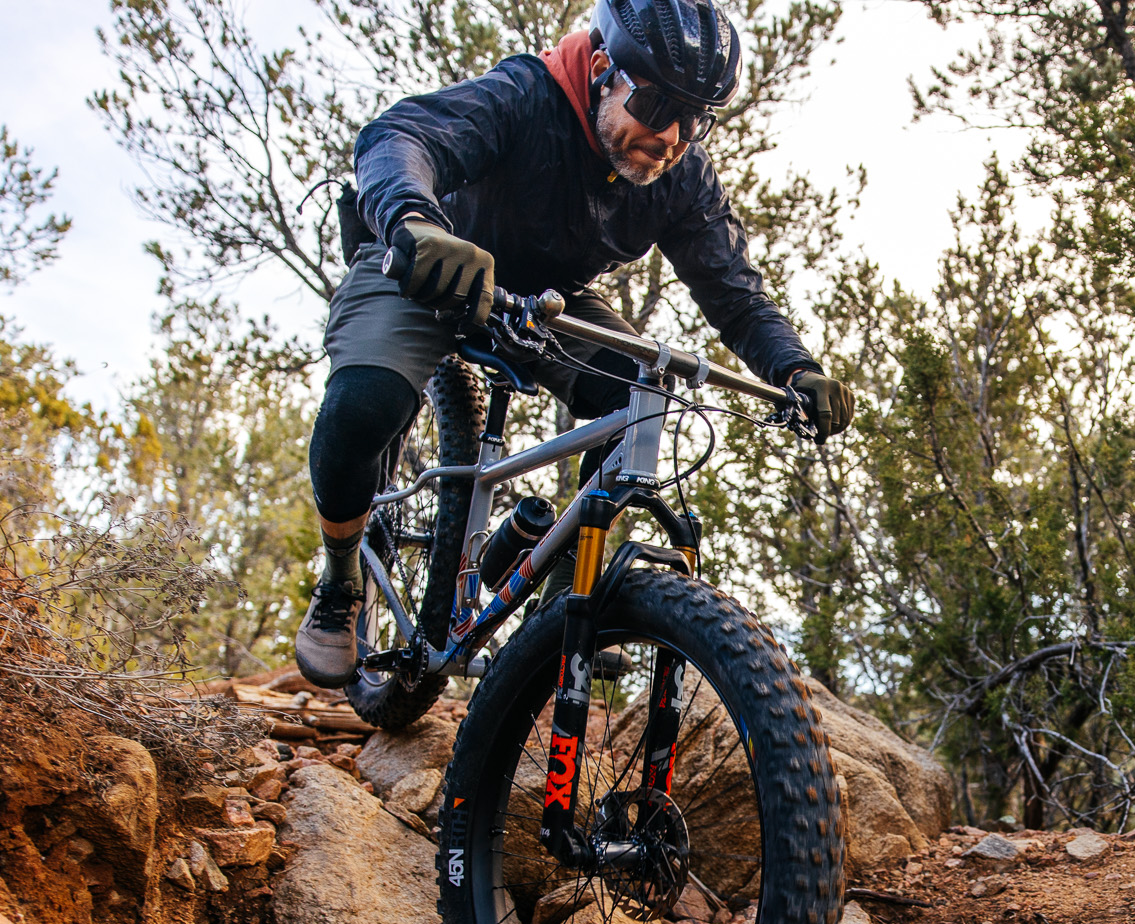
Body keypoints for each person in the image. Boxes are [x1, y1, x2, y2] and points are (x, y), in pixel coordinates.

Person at [294, 0, 855, 687]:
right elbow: (400, 138)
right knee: (363, 405)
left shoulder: (681, 177)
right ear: (599, 69)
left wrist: (796, 367)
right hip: (427, 267)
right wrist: (416, 222)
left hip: (542, 299)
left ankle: (563, 593)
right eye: (654, 102)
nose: (673, 134)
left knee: (641, 396)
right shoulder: (527, 97)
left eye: (696, 117)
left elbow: (733, 291)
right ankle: (343, 580)